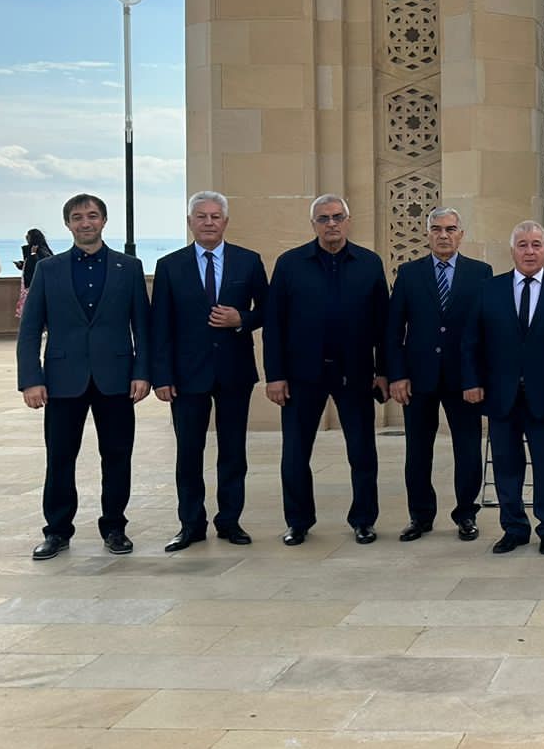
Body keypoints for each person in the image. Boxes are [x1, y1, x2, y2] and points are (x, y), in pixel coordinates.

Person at [15, 193, 151, 560]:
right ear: (68, 224)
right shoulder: (49, 269)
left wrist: (142, 372)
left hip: (117, 378)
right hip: (62, 380)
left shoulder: (129, 267)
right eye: (78, 217)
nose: (85, 222)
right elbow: (30, 329)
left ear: (104, 221)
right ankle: (57, 531)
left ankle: (115, 527)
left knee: (117, 455)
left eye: (92, 216)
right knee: (60, 457)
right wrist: (31, 379)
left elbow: (143, 326)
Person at [265, 194, 389, 546]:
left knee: (362, 452)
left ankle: (363, 520)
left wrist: (384, 371)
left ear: (348, 221)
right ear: (313, 224)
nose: (331, 224)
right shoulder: (290, 264)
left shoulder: (369, 263)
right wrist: (275, 375)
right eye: (323, 218)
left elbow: (383, 324)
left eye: (337, 217)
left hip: (356, 374)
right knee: (295, 454)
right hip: (301, 375)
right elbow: (274, 324)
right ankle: (298, 521)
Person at [462, 221, 544, 555]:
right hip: (501, 395)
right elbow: (471, 341)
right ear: (512, 250)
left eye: (536, 244)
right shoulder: (489, 289)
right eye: (523, 245)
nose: (530, 251)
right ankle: (514, 528)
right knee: (506, 466)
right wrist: (471, 381)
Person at [150, 191, 269, 551]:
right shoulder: (170, 266)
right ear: (190, 222)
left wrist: (241, 319)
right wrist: (162, 377)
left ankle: (230, 521)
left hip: (234, 372)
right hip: (186, 376)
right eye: (201, 216)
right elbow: (160, 326)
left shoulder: (248, 261)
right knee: (189, 452)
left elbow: (269, 311)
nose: (208, 222)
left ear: (225, 222)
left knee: (233, 452)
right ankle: (191, 524)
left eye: (215, 217)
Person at [386, 206, 493, 543]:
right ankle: (420, 516)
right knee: (418, 451)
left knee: (468, 449)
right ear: (428, 234)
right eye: (436, 229)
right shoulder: (409, 273)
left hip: (464, 380)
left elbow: (487, 331)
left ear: (461, 234)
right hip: (418, 379)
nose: (443, 235)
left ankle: (466, 514)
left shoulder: (481, 273)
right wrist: (397, 375)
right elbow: (393, 330)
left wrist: (479, 378)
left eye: (450, 229)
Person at [15, 228, 55, 320]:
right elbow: (30, 265)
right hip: (32, 284)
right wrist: (22, 265)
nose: (26, 237)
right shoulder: (37, 249)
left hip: (35, 285)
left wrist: (33, 254)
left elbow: (39, 265)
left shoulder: (40, 250)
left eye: (28, 235)